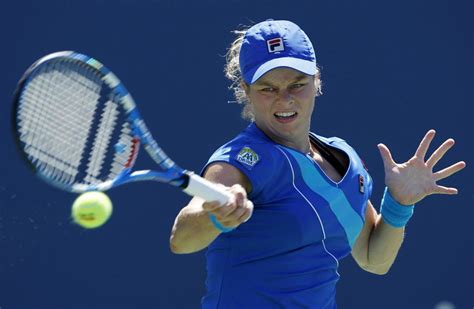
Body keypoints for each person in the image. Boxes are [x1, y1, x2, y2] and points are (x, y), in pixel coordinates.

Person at [169, 19, 466, 308]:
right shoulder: (238, 161)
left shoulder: (345, 162)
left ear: (316, 81)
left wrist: (399, 204)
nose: (284, 100)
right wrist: (216, 214)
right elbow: (182, 239)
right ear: (246, 90)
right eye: (268, 88)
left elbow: (374, 258)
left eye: (297, 85)